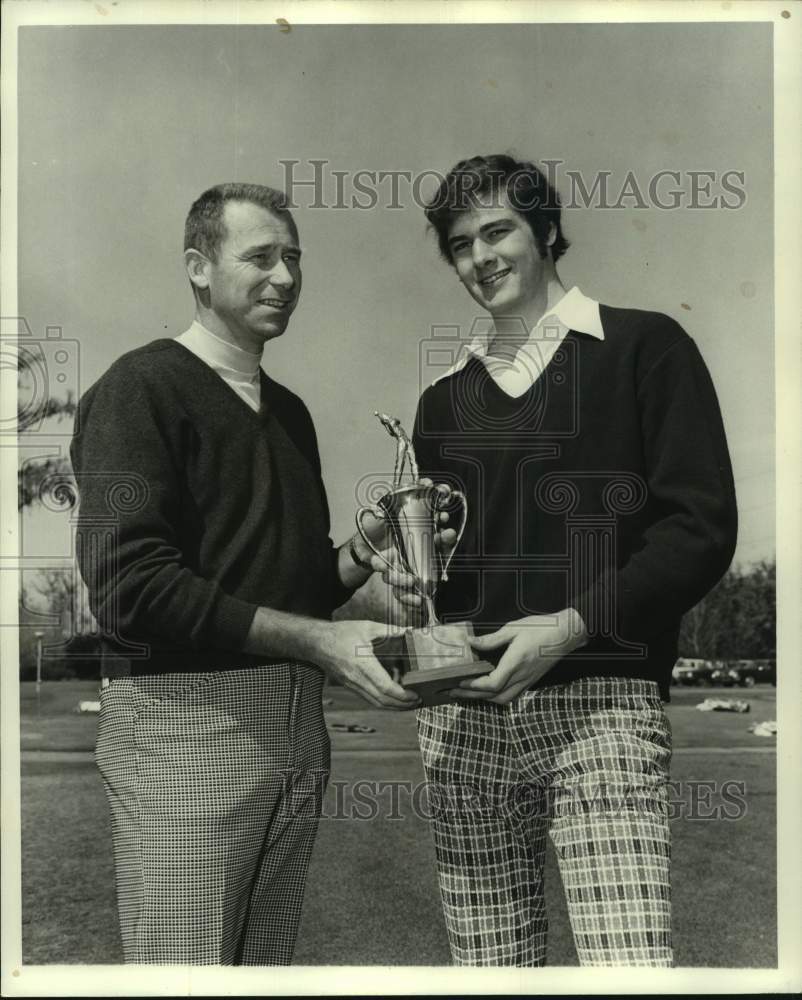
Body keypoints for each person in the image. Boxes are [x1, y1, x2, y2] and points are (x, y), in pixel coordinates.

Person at [394, 154, 737, 966]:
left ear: (547, 231)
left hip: (603, 703)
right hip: (465, 714)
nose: (481, 256)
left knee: (628, 968)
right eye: (460, 243)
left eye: (498, 230)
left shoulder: (644, 346)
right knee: (490, 976)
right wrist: (415, 583)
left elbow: (700, 529)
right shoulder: (442, 399)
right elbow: (441, 567)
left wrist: (572, 625)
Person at [69, 182, 420, 966]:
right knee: (184, 978)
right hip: (185, 729)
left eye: (294, 258)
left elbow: (287, 589)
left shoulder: (289, 412)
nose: (286, 277)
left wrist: (366, 546)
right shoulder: (141, 388)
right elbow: (131, 587)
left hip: (296, 732)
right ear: (198, 267)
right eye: (260, 257)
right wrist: (320, 643)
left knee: (259, 980)